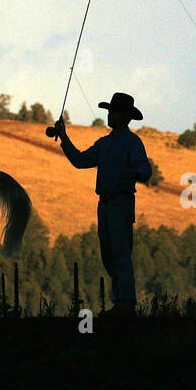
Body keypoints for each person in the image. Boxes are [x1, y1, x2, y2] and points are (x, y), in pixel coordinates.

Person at [52, 92, 152, 316]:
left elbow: (146, 171)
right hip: (105, 205)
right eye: (109, 111)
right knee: (109, 255)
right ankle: (122, 303)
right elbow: (80, 160)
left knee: (120, 254)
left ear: (126, 117)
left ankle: (126, 305)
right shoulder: (104, 143)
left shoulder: (133, 142)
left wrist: (134, 172)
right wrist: (64, 138)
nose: (110, 115)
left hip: (121, 203)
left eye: (114, 112)